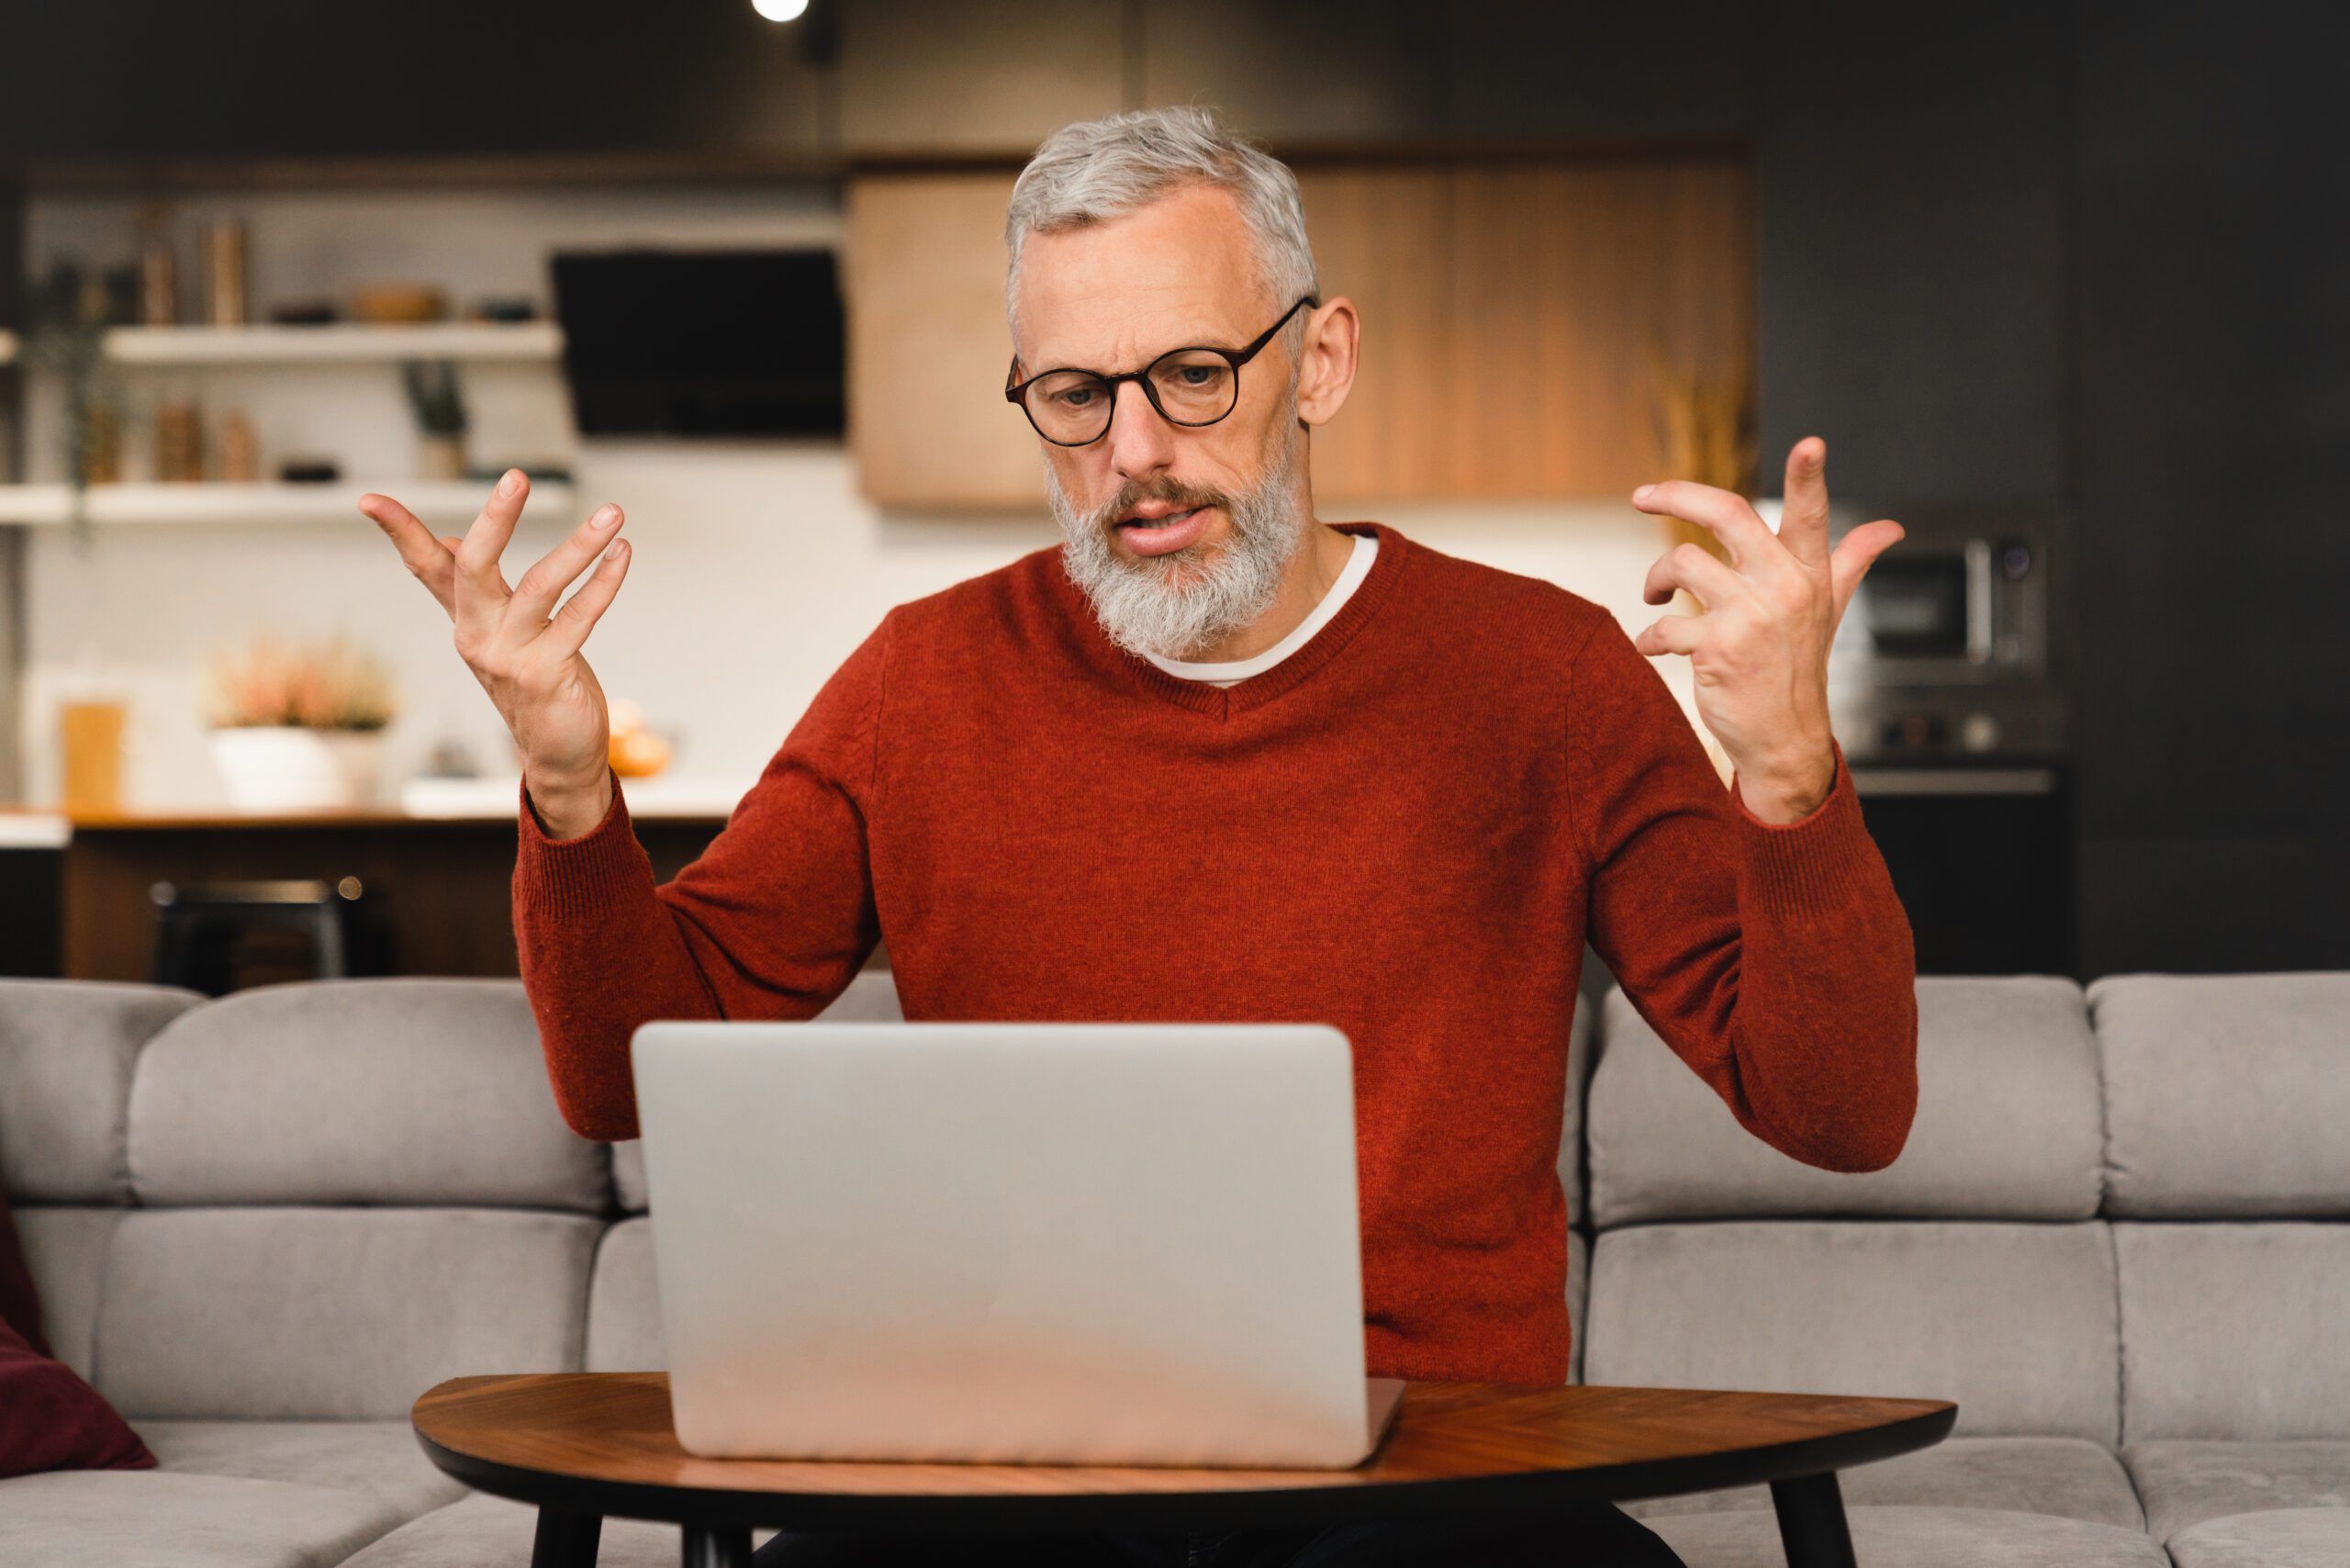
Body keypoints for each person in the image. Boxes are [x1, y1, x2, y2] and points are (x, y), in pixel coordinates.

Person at [363, 106, 1916, 1568]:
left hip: (1441, 1476)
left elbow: (1837, 1110)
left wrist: (1783, 772)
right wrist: (571, 795)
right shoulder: (923, 679)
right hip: (1011, 1472)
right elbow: (626, 1070)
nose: (1133, 453)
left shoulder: (1546, 677)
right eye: (1075, 394)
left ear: (1319, 360)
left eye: (1190, 374)